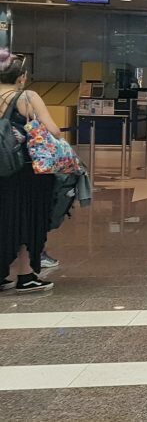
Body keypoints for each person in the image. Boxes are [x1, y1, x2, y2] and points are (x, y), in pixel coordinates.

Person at [0, 51, 59, 292]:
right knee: (24, 217)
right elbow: (53, 130)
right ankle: (25, 275)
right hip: (23, 168)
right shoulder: (27, 97)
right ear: (22, 77)